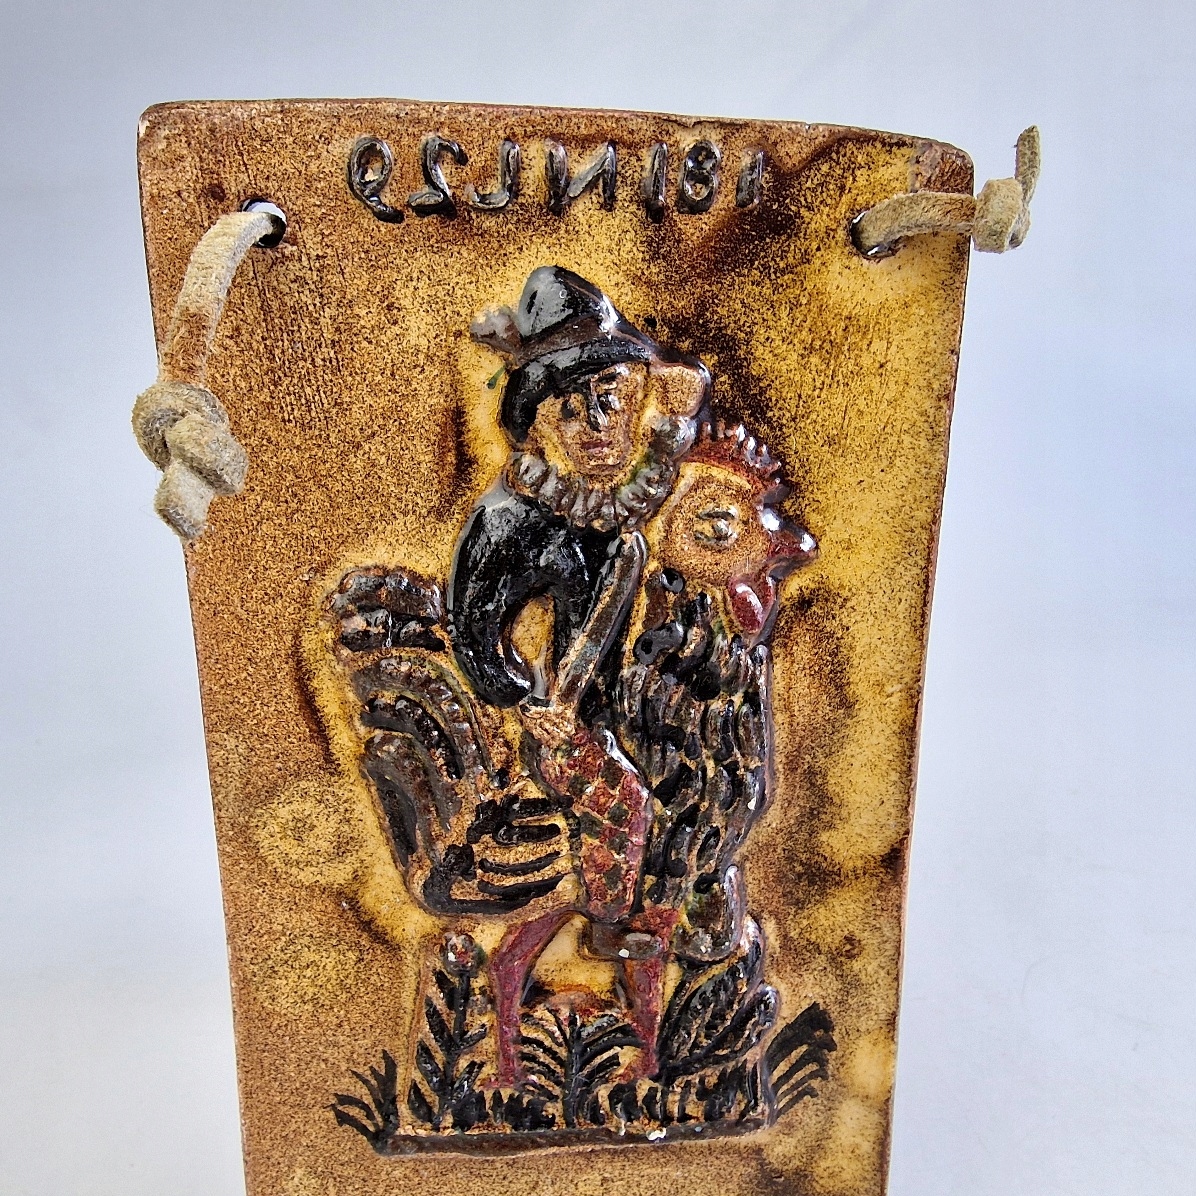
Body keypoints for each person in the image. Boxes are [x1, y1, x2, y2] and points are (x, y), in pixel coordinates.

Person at [449, 266, 710, 718]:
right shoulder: (508, 522)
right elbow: (478, 648)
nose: (597, 421)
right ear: (538, 420)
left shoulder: (677, 494)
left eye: (609, 390)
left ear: (638, 390)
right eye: (568, 404)